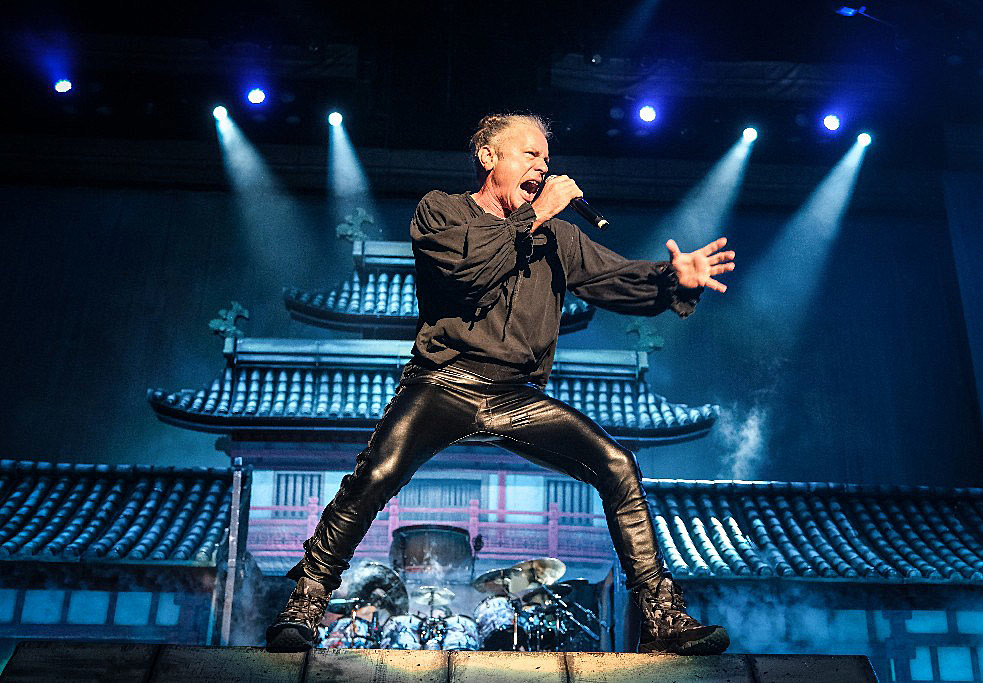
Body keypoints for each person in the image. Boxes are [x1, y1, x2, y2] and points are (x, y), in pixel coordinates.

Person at [265, 113, 736, 655]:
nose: (542, 167)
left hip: (516, 395)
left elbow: (615, 279)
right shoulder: (442, 211)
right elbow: (467, 273)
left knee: (617, 465)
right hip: (445, 380)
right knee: (377, 472)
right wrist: (538, 214)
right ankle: (305, 603)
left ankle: (662, 616)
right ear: (488, 157)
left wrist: (671, 280)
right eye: (530, 154)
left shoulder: (558, 237)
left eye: (546, 159)